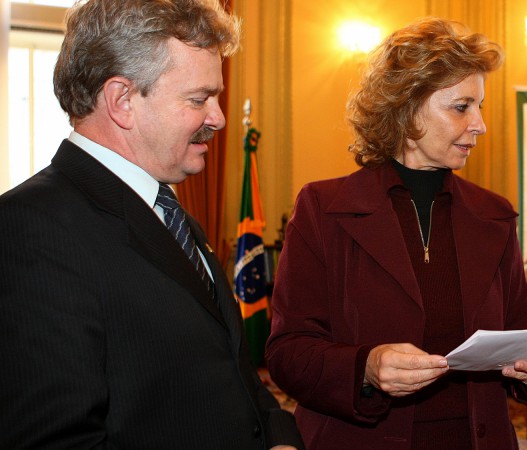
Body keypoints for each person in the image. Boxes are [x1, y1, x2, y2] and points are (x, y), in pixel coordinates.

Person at [0, 1, 304, 449]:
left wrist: (279, 438)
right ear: (122, 100)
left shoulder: (167, 210)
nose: (218, 118)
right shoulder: (29, 229)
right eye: (199, 98)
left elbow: (233, 369)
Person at [265, 17, 527, 450]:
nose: (480, 124)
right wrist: (365, 367)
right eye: (461, 107)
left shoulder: (494, 216)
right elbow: (287, 353)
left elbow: (516, 339)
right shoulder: (323, 210)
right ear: (406, 108)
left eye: (479, 106)